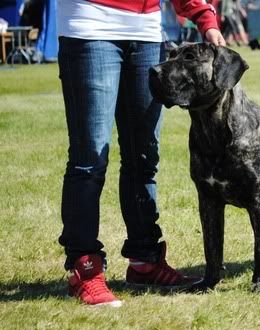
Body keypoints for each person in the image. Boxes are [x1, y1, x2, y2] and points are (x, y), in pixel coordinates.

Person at [56, 0, 225, 307]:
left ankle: (145, 260)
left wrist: (206, 19)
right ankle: (85, 267)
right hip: (90, 26)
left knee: (144, 156)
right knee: (90, 159)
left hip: (147, 33)